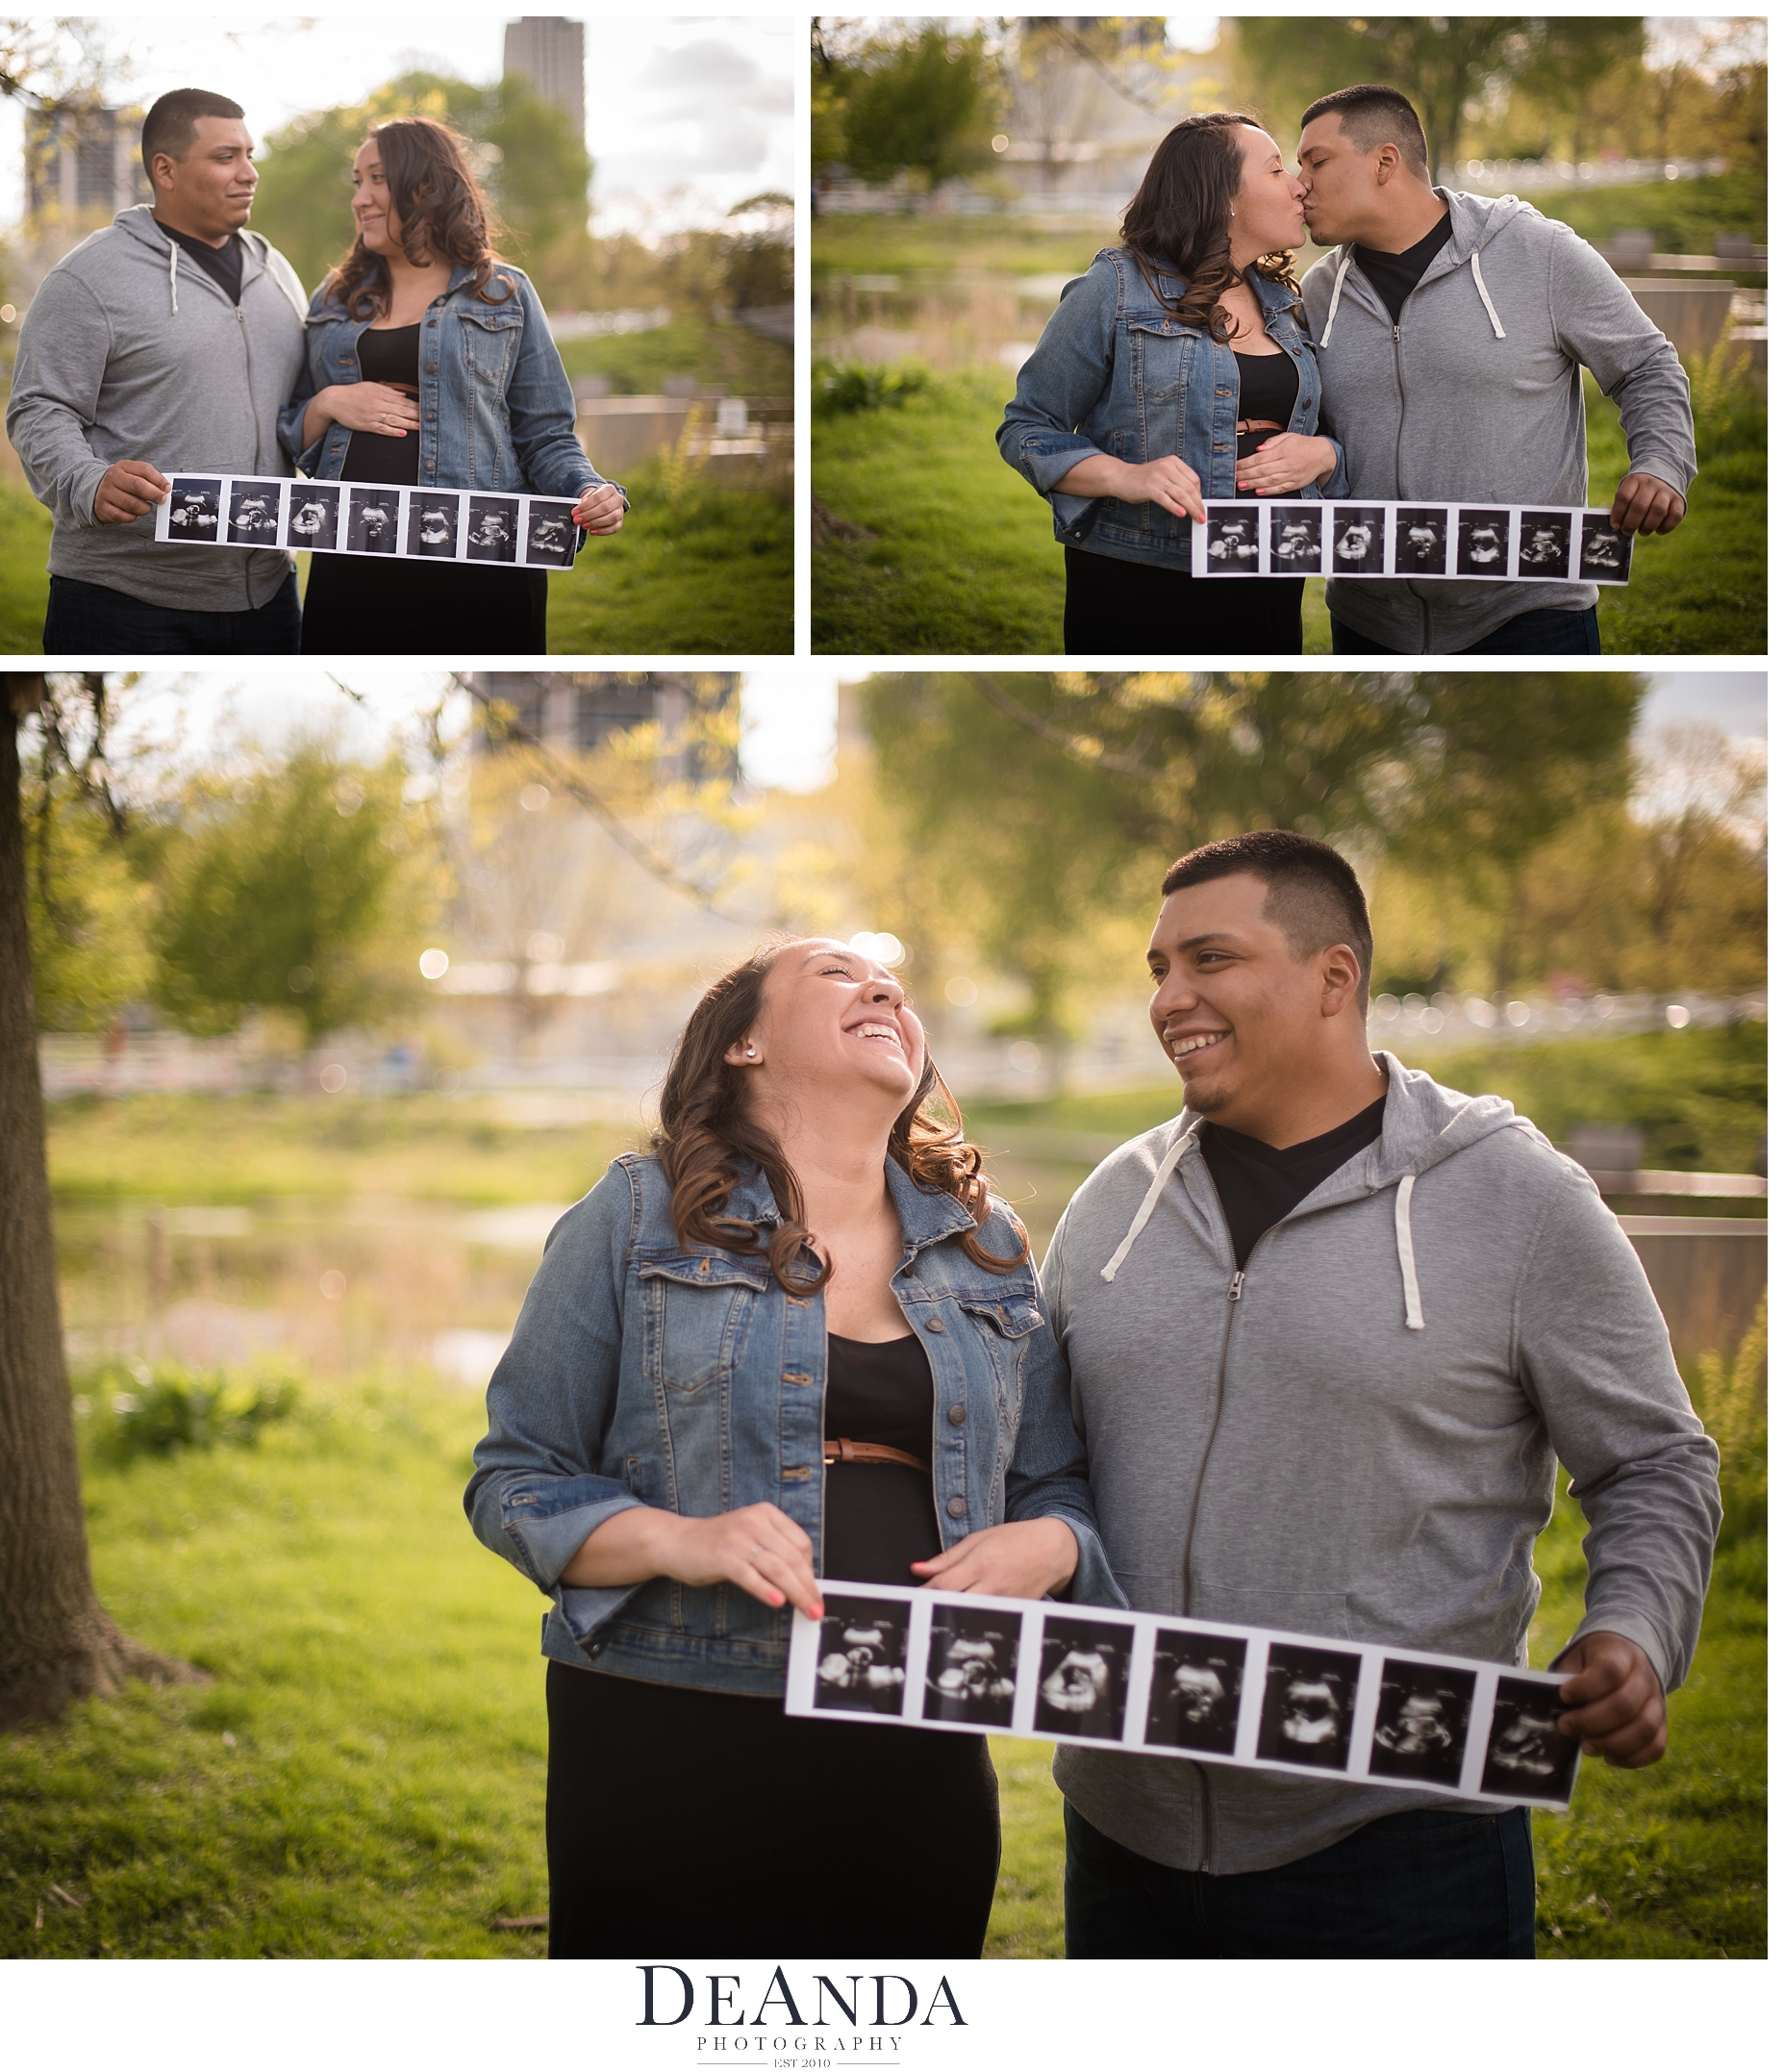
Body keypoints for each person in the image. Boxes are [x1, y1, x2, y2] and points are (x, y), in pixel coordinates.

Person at [1041, 829, 1721, 1958]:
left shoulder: (1517, 1199)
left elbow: (1651, 1459)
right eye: (1158, 968)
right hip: (1120, 1834)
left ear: (1334, 978)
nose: (1171, 998)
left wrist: (1636, 1632)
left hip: (1401, 1846)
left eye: (1210, 960)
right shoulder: (1114, 1203)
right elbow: (1044, 1462)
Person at [465, 938, 1120, 1958]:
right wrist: (680, 1539)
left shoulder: (987, 1245)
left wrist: (1055, 1549)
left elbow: (1054, 1485)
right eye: (835, 974)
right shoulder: (637, 1215)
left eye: (892, 986)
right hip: (674, 1730)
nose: (882, 989)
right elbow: (514, 1479)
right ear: (744, 1045)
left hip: (920, 1733)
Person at [1295, 85, 1696, 654]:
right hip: (1367, 624)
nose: (1299, 183)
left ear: (1385, 162)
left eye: (1318, 161)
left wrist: (1661, 463)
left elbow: (1647, 365)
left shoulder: (1540, 253)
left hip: (1529, 616)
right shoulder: (1317, 293)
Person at [997, 114, 1343, 657]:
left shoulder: (1289, 303)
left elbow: (1325, 431)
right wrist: (1126, 476)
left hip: (1270, 580)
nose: (1300, 184)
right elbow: (1027, 426)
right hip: (1141, 579)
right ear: (1222, 194)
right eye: (1277, 170)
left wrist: (1322, 455)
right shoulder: (1116, 286)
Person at [281, 116, 625, 656]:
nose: (360, 198)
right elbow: (292, 430)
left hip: (480, 563)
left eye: (376, 179)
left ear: (424, 187)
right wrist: (330, 401)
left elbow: (546, 435)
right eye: (357, 182)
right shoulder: (335, 297)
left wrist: (587, 490)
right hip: (351, 562)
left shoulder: (504, 293)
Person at [8, 88, 310, 655]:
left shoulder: (277, 272)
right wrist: (88, 481)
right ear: (165, 170)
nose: (249, 173)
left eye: (250, 154)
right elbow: (38, 408)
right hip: (122, 600)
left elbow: (296, 406)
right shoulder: (88, 277)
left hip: (269, 596)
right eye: (226, 157)